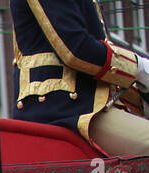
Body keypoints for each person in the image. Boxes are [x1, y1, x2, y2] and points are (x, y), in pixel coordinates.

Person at [10, 0, 149, 156]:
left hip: (84, 106)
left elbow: (96, 65)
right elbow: (76, 50)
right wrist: (139, 67)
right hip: (64, 110)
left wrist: (140, 98)